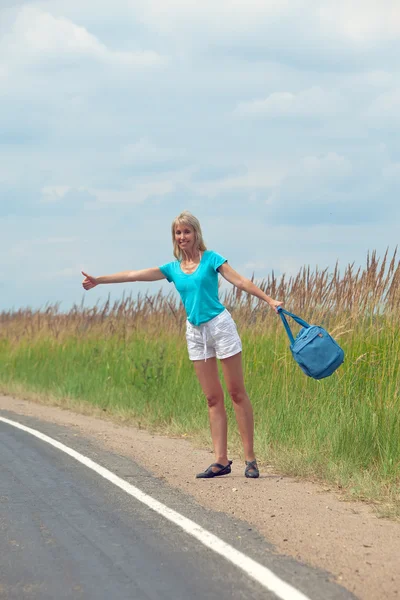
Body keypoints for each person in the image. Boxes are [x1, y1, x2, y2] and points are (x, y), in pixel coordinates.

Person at [82, 210, 283, 479]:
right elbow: (134, 274)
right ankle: (220, 461)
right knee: (212, 397)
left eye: (187, 232)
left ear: (196, 234)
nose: (182, 237)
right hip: (195, 332)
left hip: (220, 327)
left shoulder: (212, 259)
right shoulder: (172, 269)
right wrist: (99, 280)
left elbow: (240, 281)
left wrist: (269, 300)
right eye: (178, 233)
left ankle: (251, 459)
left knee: (236, 392)